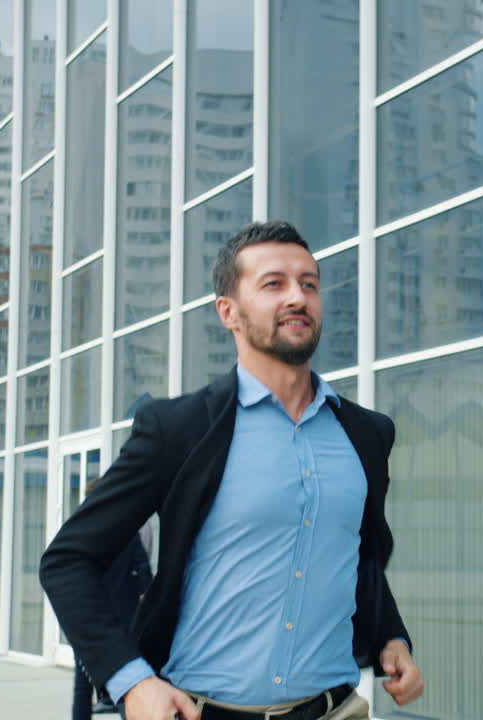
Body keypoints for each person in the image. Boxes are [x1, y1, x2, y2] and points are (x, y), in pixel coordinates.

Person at [41, 221, 424, 720]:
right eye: (274, 284)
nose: (298, 297)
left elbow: (355, 554)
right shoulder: (178, 430)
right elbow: (67, 562)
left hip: (336, 709)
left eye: (309, 284)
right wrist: (131, 681)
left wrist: (390, 637)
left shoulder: (367, 434)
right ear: (229, 312)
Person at [70, 476, 154, 720]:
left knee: (83, 683)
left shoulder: (80, 532)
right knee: (126, 680)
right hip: (123, 616)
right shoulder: (127, 530)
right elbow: (143, 571)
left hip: (88, 614)